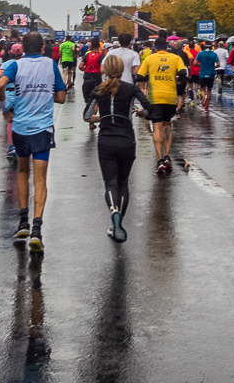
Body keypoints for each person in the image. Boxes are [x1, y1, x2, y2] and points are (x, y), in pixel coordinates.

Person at [0, 31, 66, 251]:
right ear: (43, 47)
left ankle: (22, 221)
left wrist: (6, 107)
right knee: (41, 179)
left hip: (20, 128)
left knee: (23, 173)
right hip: (42, 129)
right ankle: (37, 229)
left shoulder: (16, 66)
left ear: (22, 47)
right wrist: (46, 94)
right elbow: (61, 97)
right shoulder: (50, 65)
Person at [84, 54, 149, 243]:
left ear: (105, 70)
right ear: (122, 70)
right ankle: (118, 222)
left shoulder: (98, 90)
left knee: (110, 182)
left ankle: (114, 214)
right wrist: (141, 113)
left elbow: (87, 115)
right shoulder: (131, 89)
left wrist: (102, 118)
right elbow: (148, 108)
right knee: (123, 182)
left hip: (106, 140)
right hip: (127, 139)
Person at [136, 37, 188, 175]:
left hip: (154, 97)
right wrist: (175, 79)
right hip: (170, 96)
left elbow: (139, 77)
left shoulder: (149, 59)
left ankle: (159, 159)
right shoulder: (175, 58)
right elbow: (183, 73)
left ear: (155, 48)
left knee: (157, 126)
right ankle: (167, 156)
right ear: (167, 47)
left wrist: (151, 76)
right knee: (167, 125)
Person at [79, 38, 105, 128]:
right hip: (97, 80)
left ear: (91, 45)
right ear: (99, 46)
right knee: (96, 102)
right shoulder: (101, 56)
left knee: (88, 101)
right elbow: (103, 69)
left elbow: (80, 66)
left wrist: (86, 69)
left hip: (87, 80)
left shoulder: (87, 55)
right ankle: (91, 121)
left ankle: (90, 117)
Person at [195, 40, 219, 112]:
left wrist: (200, 65)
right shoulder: (214, 54)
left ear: (205, 46)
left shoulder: (200, 53)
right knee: (209, 90)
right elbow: (218, 64)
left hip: (202, 73)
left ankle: (203, 96)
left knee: (202, 89)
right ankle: (207, 107)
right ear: (211, 46)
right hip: (211, 74)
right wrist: (213, 67)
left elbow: (195, 62)